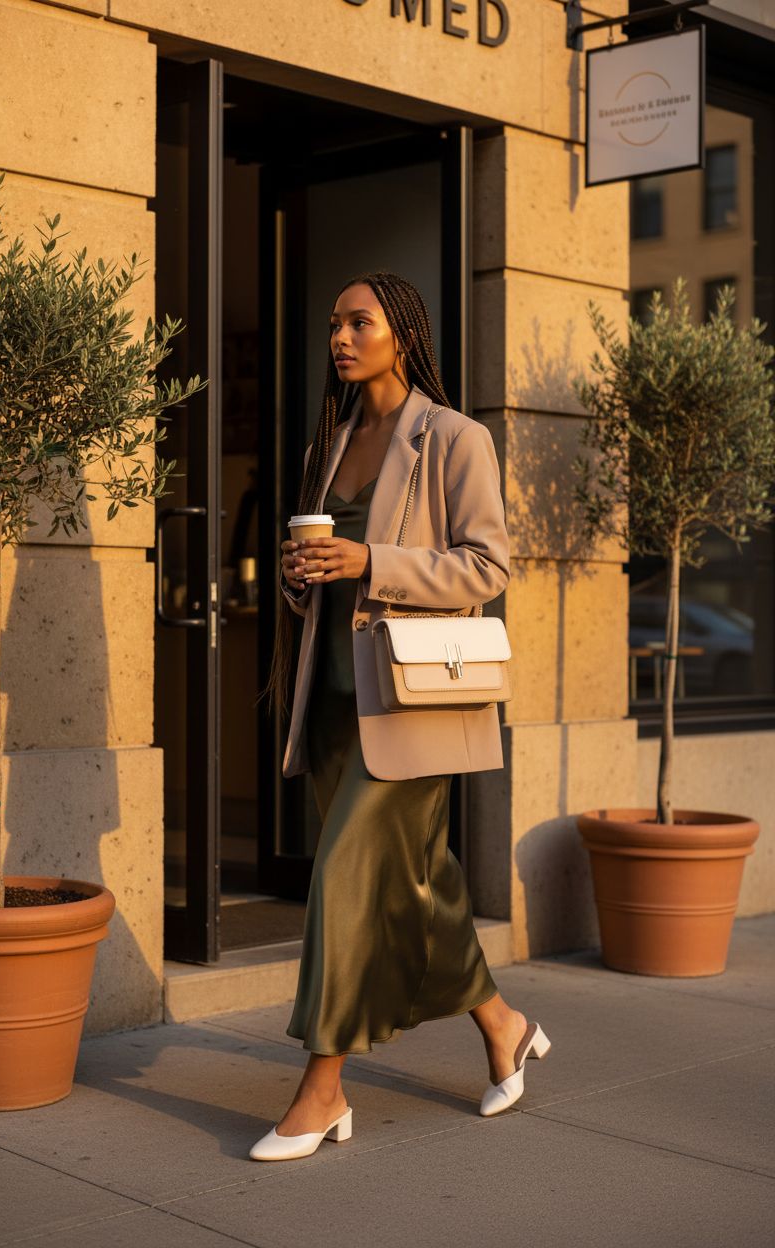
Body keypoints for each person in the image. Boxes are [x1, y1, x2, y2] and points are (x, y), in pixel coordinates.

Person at [251, 271, 551, 1162]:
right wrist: (300, 577)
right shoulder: (332, 440)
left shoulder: (453, 437)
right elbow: (322, 567)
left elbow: (486, 568)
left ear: (402, 336)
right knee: (423, 887)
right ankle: (505, 1024)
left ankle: (322, 1090)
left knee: (343, 874)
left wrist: (370, 560)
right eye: (335, 323)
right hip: (336, 701)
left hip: (412, 704)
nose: (340, 337)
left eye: (360, 322)